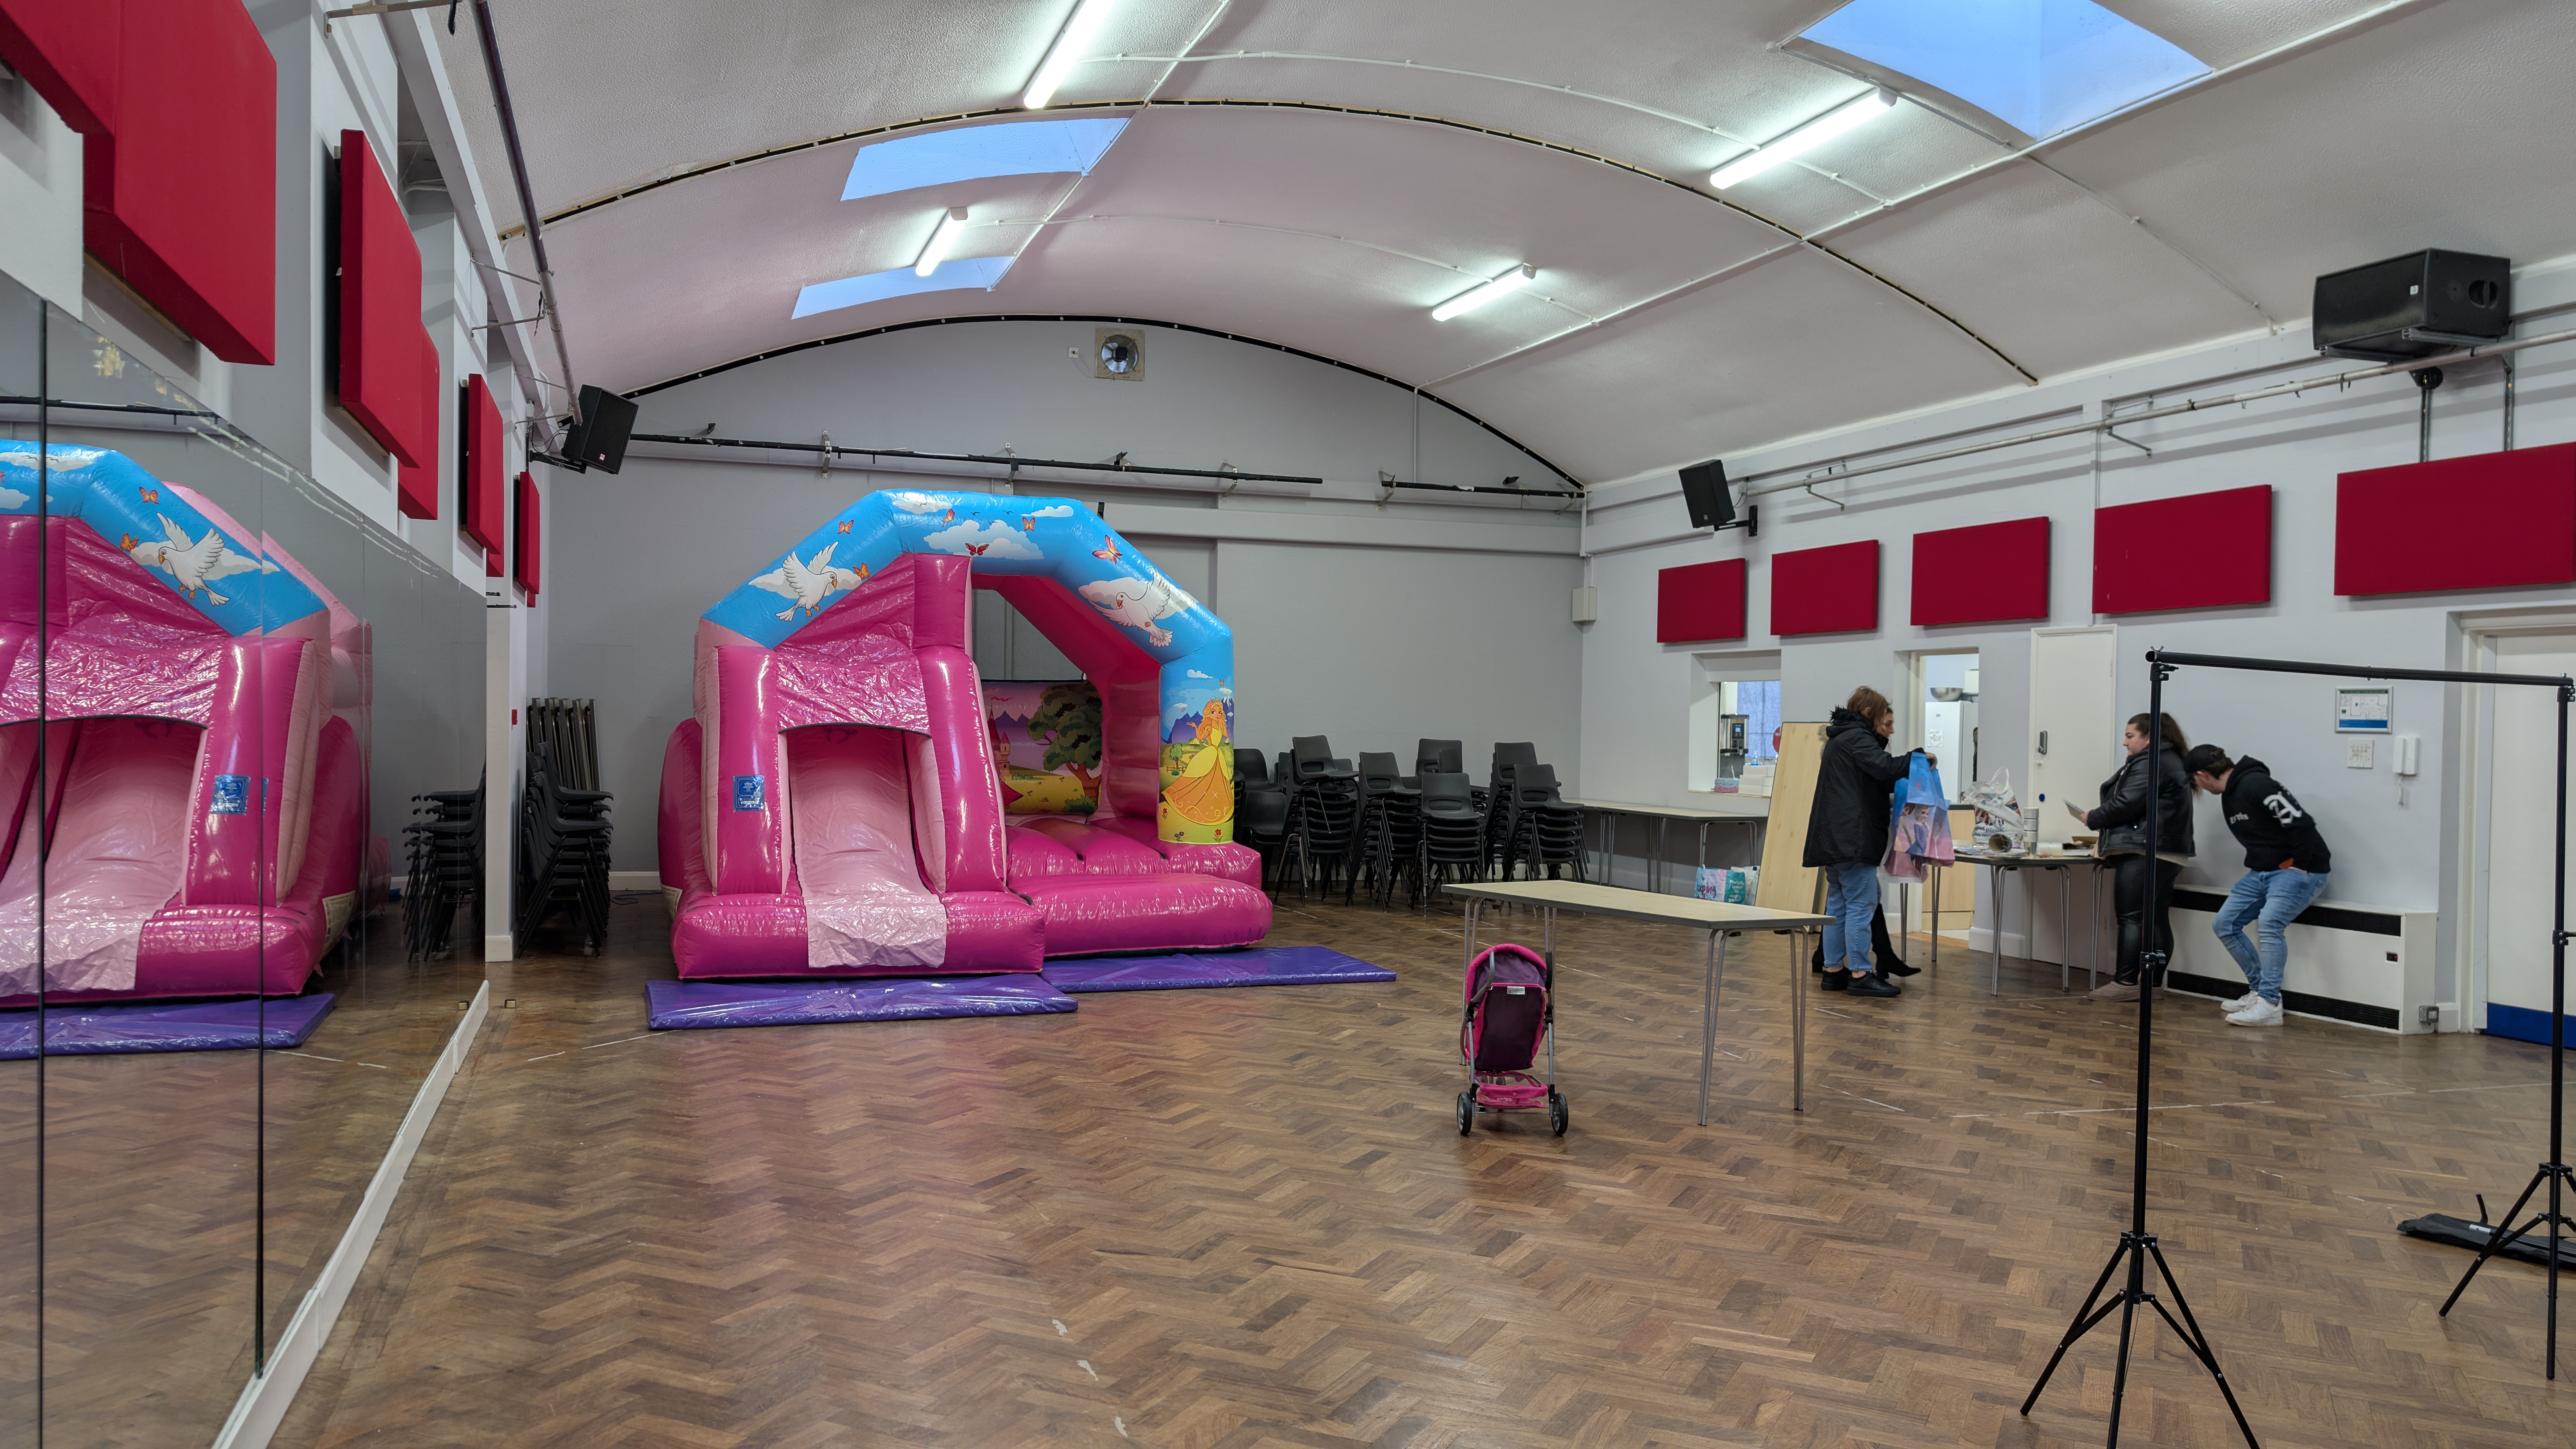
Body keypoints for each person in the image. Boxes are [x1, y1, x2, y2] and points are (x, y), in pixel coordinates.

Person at [2186, 744, 2332, 1028]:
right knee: (2225, 924)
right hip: (2264, 871)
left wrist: (2300, 865)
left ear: (2202, 775)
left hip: (2302, 870)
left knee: (2270, 923)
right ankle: (2258, 991)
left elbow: (2301, 822)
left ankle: (2270, 1003)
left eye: (2196, 782)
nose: (2199, 788)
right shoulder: (2230, 795)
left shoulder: (2256, 784)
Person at [1803, 687, 1928, 999]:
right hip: (1853, 838)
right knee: (1861, 904)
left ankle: (1833, 970)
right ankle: (1860, 973)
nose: (1890, 728)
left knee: (1839, 904)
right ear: (1870, 713)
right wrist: (1919, 758)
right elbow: (1886, 768)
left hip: (1835, 838)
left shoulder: (1840, 739)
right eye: (1885, 719)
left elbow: (1876, 777)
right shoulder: (1857, 739)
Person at [2068, 713, 2194, 1003]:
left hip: (2143, 850)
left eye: (2130, 736)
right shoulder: (2170, 760)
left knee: (2131, 919)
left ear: (2149, 738)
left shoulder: (2151, 762)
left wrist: (2093, 817)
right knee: (2157, 919)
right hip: (2166, 850)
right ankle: (2152, 984)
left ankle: (2125, 982)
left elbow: (2127, 803)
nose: (2125, 743)